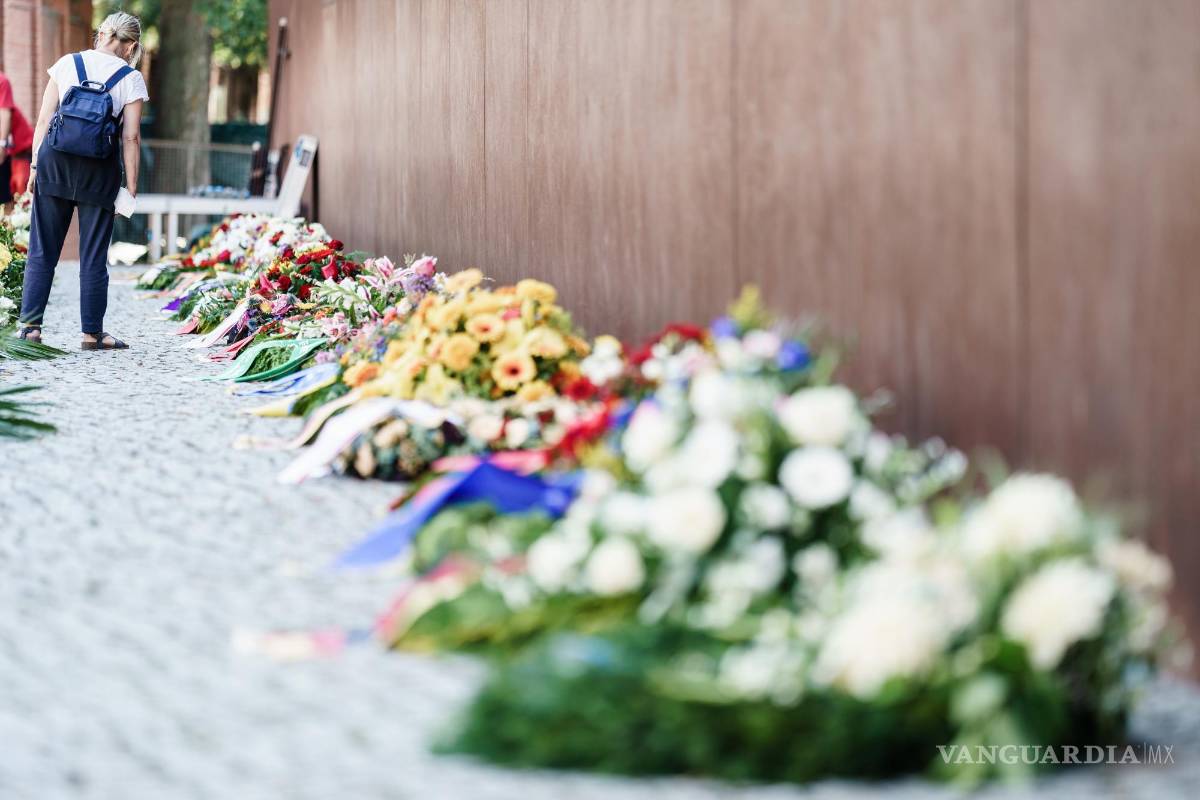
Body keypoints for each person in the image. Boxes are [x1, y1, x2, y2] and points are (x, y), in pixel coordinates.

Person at [15, 12, 148, 350]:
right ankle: (92, 333)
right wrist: (130, 186)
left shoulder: (66, 64)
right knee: (93, 254)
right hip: (99, 172)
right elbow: (130, 139)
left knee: (42, 249)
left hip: (54, 163)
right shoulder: (130, 78)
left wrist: (34, 167)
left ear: (101, 33)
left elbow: (45, 119)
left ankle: (30, 328)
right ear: (131, 44)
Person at [0, 69, 35, 214]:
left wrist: (1, 145)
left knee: (17, 198)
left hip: (20, 151)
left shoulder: (2, 81)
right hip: (11, 152)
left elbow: (5, 115)